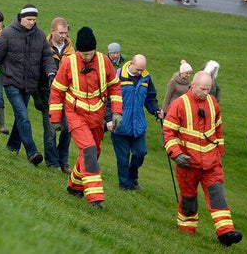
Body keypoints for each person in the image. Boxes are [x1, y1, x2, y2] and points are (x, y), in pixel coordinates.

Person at [162, 70, 243, 247]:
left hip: (211, 163)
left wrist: (219, 152)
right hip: (188, 164)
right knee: (189, 201)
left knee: (218, 196)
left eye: (209, 89)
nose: (206, 93)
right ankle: (186, 231)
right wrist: (176, 154)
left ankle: (226, 233)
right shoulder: (179, 104)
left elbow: (218, 129)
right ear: (193, 86)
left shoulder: (213, 103)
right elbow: (168, 133)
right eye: (203, 89)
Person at [49, 26, 122, 208]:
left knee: (93, 152)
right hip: (76, 115)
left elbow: (114, 86)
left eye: (90, 53)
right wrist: (55, 118)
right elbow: (57, 91)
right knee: (89, 150)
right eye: (84, 54)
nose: (87, 57)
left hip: (97, 117)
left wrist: (117, 112)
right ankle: (95, 197)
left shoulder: (104, 61)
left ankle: (74, 185)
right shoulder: (69, 63)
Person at [0, 4, 55, 167]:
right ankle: (32, 152)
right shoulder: (7, 34)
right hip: (11, 82)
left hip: (29, 84)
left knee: (21, 117)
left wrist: (51, 73)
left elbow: (47, 57)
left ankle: (12, 147)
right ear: (21, 17)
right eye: (29, 19)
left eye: (34, 20)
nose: (31, 23)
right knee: (23, 115)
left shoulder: (40, 35)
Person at [106, 54, 162, 191]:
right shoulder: (117, 76)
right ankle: (125, 185)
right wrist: (108, 119)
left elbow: (150, 98)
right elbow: (108, 100)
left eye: (142, 70)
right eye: (138, 69)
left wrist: (155, 110)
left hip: (138, 126)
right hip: (119, 125)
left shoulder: (146, 78)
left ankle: (133, 177)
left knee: (140, 153)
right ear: (131, 63)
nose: (140, 72)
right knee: (123, 159)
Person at [37, 17, 74, 173]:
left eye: (65, 33)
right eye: (60, 33)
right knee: (51, 130)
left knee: (68, 129)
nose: (63, 36)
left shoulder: (72, 50)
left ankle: (63, 160)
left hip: (67, 96)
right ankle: (52, 162)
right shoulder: (43, 47)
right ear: (52, 31)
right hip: (49, 95)